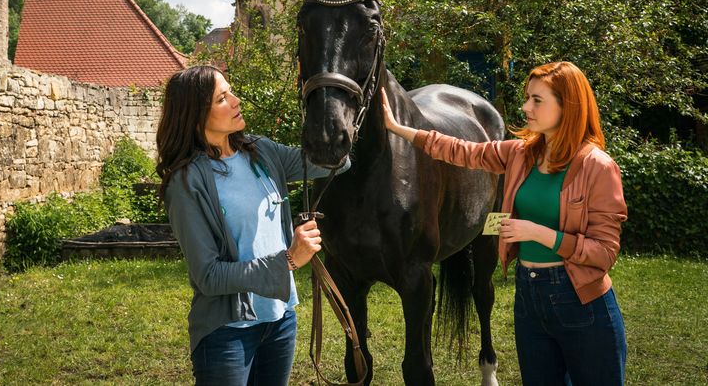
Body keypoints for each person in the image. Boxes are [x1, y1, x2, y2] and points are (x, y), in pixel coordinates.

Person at [381, 61, 628, 385]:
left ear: (568, 106)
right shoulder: (521, 155)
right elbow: (460, 150)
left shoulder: (598, 167)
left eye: (537, 100)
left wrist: (539, 234)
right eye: (527, 97)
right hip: (529, 297)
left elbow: (604, 253)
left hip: (582, 301)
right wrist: (400, 129)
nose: (526, 107)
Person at [156, 65, 347, 386]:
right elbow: (209, 277)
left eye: (231, 91)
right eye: (222, 98)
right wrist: (288, 260)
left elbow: (335, 161)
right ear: (195, 113)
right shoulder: (187, 182)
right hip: (227, 333)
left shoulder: (261, 151)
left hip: (281, 318)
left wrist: (332, 106)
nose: (236, 100)